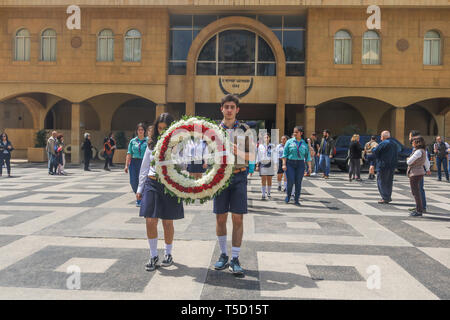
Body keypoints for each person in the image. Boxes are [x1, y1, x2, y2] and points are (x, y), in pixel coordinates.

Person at [136, 113, 184, 271]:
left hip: (169, 184)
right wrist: (140, 188)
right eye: (160, 128)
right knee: (150, 220)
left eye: (166, 128)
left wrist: (174, 152)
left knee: (167, 221)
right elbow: (144, 166)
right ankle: (153, 255)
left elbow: (183, 166)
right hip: (152, 182)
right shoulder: (151, 143)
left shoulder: (178, 143)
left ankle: (168, 253)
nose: (162, 131)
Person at [213, 94, 252, 276]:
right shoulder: (213, 130)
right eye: (226, 106)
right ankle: (223, 254)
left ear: (237, 110)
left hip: (239, 176)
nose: (229, 110)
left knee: (238, 218)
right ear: (221, 109)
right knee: (220, 218)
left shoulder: (245, 129)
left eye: (232, 107)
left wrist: (240, 152)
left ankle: (235, 258)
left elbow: (253, 157)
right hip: (220, 177)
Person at [282, 126, 312, 205]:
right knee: (290, 181)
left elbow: (308, 156)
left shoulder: (304, 144)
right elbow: (284, 154)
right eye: (294, 132)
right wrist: (284, 164)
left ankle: (296, 199)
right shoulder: (289, 142)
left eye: (296, 132)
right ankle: (288, 196)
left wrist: (309, 167)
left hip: (300, 164)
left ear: (301, 133)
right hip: (290, 164)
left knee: (298, 182)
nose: (294, 133)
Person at [125, 123, 148, 207]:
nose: (140, 131)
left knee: (143, 181)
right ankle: (138, 195)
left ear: (144, 131)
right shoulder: (133, 141)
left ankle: (140, 199)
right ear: (137, 131)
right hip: (134, 163)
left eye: (142, 129)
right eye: (139, 130)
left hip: (144, 162)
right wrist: (126, 165)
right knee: (133, 181)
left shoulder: (148, 140)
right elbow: (129, 153)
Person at [372, 131, 398, 204]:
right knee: (389, 182)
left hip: (383, 165)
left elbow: (376, 151)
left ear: (383, 136)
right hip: (391, 166)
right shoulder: (394, 143)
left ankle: (385, 197)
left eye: (381, 136)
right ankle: (388, 196)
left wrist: (373, 148)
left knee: (381, 181)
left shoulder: (383, 143)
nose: (380, 138)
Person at [408, 130, 431, 213]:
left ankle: (421, 207)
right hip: (417, 171)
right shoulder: (417, 149)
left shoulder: (419, 150)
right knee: (417, 190)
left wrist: (428, 169)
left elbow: (426, 160)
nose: (409, 138)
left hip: (417, 172)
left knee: (419, 189)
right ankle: (419, 206)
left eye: (410, 136)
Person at [255, 133, 277, 200]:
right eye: (265, 137)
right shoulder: (260, 146)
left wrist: (275, 164)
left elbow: (275, 155)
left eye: (267, 137)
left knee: (269, 179)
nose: (266, 138)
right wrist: (257, 165)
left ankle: (269, 193)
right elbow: (258, 156)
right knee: (263, 179)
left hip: (270, 163)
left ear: (269, 138)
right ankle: (263, 193)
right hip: (263, 163)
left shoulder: (272, 146)